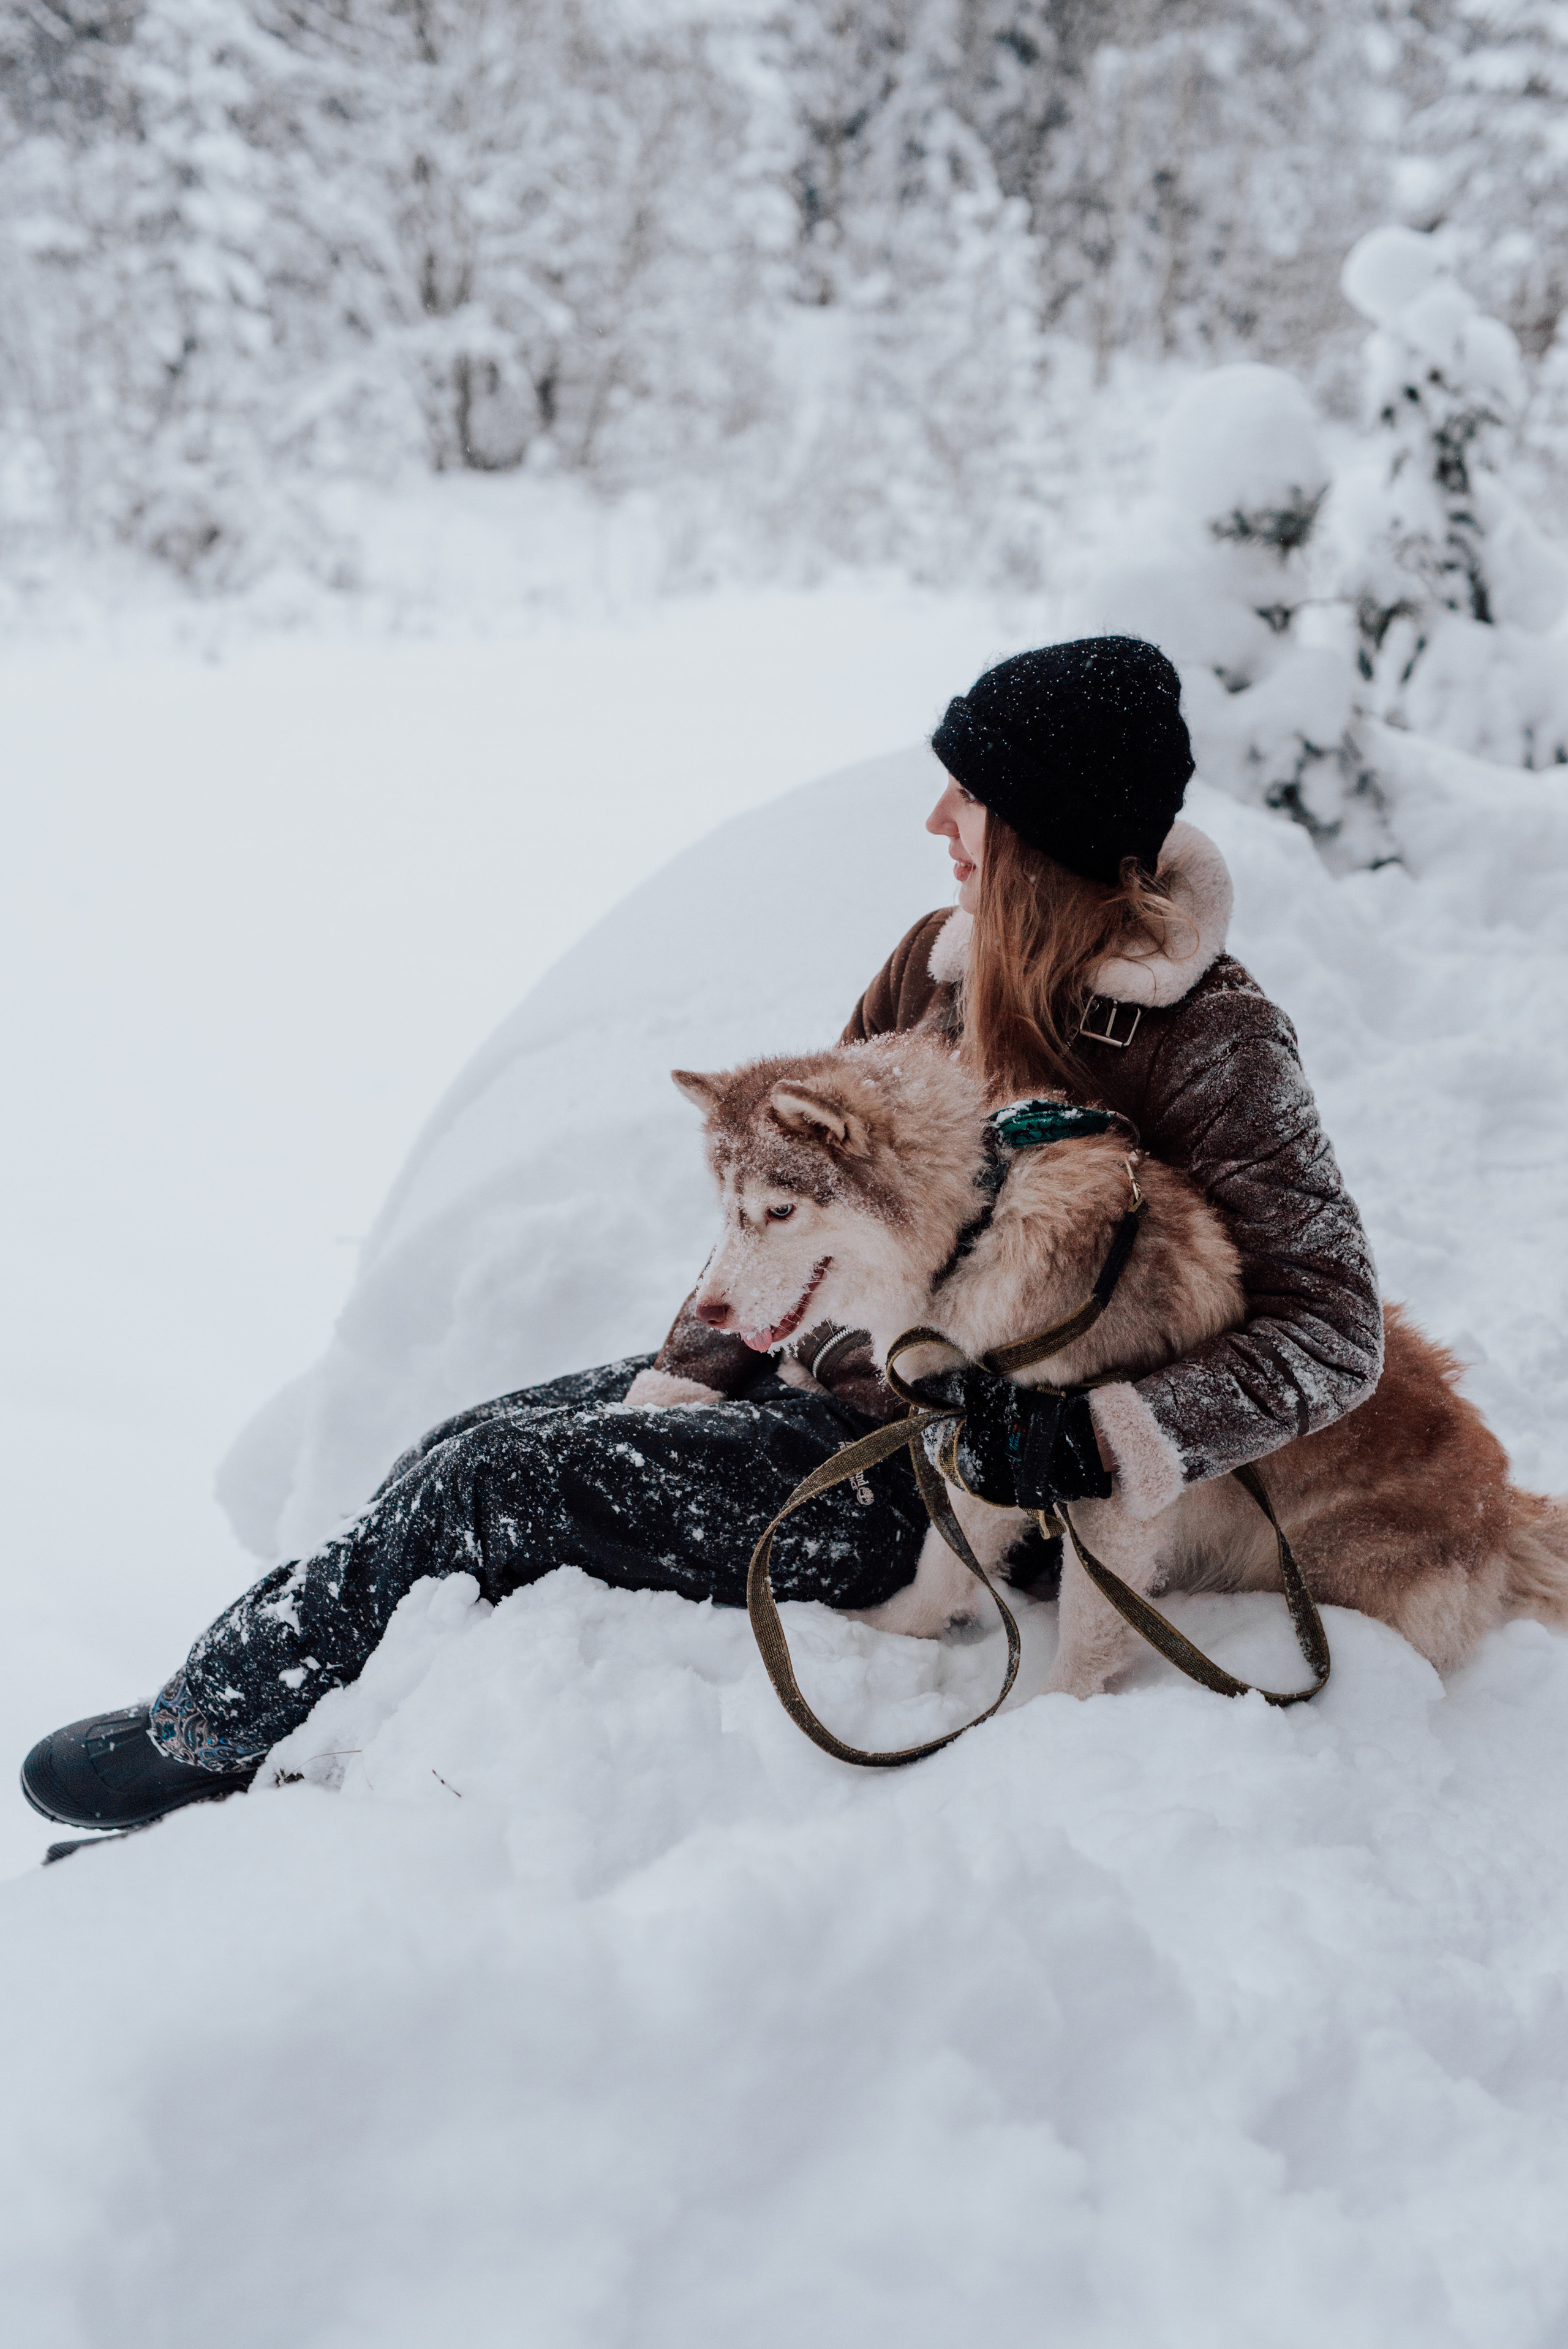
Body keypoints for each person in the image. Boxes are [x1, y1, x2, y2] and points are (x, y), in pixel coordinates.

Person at [21, 635, 1384, 1838]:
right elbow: (777, 1197)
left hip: (958, 1485)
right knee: (461, 1442)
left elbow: (1332, 1332)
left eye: (966, 795)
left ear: (1041, 829)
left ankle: (207, 1736)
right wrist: (693, 1371)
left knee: (499, 1484)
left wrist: (1097, 1436)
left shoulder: (1211, 1038)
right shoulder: (932, 961)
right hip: (835, 1379)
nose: (934, 817)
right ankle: (270, 1720)